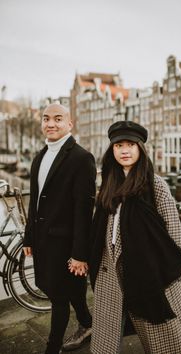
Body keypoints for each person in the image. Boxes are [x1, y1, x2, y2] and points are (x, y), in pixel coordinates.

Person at [89, 120, 181, 354]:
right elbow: (101, 225)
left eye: (130, 144)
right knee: (104, 340)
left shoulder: (154, 184)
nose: (124, 150)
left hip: (150, 272)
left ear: (140, 148)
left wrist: (160, 269)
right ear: (112, 150)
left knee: (162, 336)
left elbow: (175, 233)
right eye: (118, 146)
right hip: (111, 269)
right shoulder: (109, 183)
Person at [23, 103, 96, 354]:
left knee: (59, 298)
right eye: (46, 119)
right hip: (43, 242)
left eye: (57, 119)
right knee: (72, 291)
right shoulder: (40, 156)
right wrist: (28, 237)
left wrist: (80, 254)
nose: (50, 124)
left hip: (65, 246)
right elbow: (34, 201)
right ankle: (88, 324)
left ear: (69, 124)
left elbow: (83, 211)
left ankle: (52, 348)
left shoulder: (82, 158)